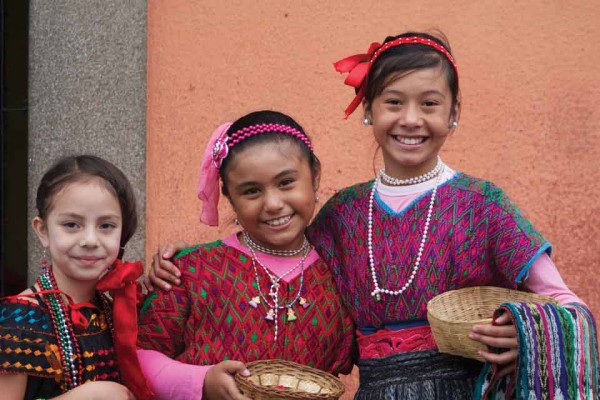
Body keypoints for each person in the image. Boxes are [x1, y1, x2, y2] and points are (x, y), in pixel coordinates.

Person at [150, 32, 598, 399]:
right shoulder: (343, 213)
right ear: (368, 111)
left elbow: (566, 303)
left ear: (454, 113)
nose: (410, 119)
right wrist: (173, 267)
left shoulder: (483, 204)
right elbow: (285, 256)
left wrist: (532, 337)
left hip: (465, 389)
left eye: (429, 104)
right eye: (393, 102)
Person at [136, 110, 355, 399]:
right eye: (252, 191)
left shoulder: (340, 274)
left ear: (315, 177)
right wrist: (202, 381)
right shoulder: (190, 270)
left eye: (286, 182)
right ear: (229, 196)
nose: (273, 203)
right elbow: (141, 356)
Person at [0, 155, 153, 399]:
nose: (90, 240)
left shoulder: (117, 312)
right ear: (43, 230)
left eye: (106, 226)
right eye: (72, 224)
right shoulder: (17, 321)